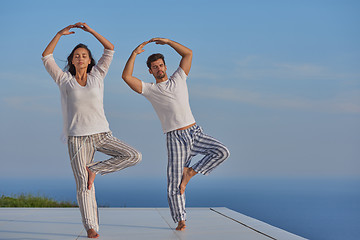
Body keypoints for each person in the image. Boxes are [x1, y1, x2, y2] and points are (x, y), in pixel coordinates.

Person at [42, 22, 142, 238]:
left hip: (102, 135)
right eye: (76, 55)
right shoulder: (64, 80)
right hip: (77, 139)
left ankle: (95, 169)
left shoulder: (98, 75)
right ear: (71, 60)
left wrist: (92, 31)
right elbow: (46, 56)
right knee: (84, 186)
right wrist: (59, 33)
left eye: (84, 55)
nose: (80, 58)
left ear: (89, 60)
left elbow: (110, 48)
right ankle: (91, 227)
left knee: (134, 155)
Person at [122, 38, 230, 231]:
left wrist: (168, 42)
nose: (159, 69)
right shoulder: (150, 89)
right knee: (174, 182)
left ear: (165, 66)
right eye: (154, 67)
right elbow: (126, 77)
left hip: (194, 133)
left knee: (222, 151)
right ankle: (181, 220)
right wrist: (134, 54)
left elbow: (188, 54)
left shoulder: (179, 78)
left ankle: (190, 172)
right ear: (150, 71)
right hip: (174, 138)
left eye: (161, 65)